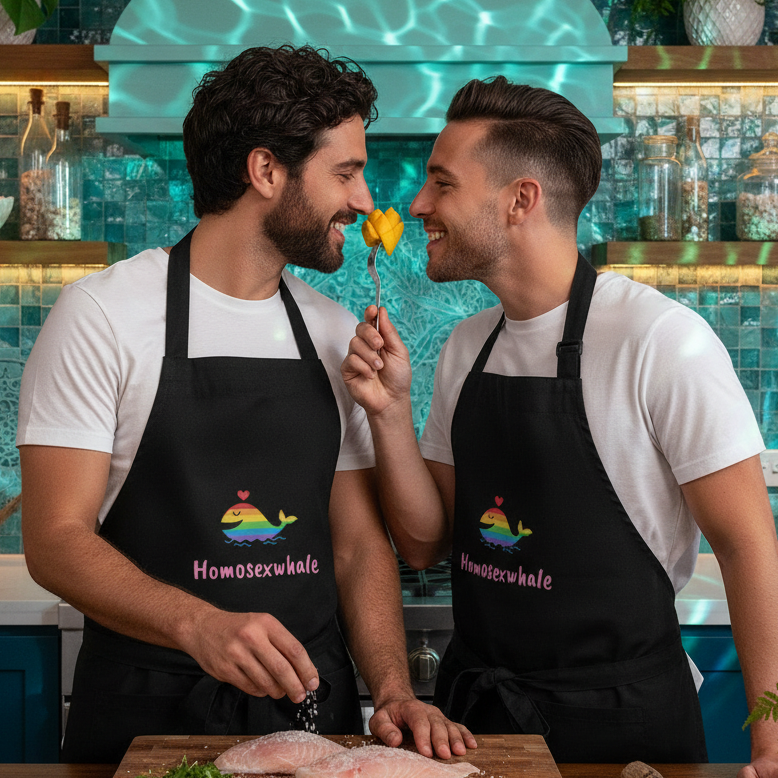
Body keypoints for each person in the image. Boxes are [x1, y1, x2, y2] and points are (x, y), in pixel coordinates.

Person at [18, 45, 475, 764]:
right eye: (345, 173)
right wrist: (197, 623)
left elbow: (357, 546)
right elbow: (55, 539)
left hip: (309, 718)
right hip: (147, 711)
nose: (362, 201)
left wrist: (390, 689)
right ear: (266, 171)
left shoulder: (331, 331)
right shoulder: (101, 315)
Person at [341, 76, 778, 772]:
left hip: (623, 728)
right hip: (477, 726)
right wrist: (390, 412)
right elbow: (426, 543)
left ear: (521, 200)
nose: (418, 204)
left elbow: (749, 545)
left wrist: (771, 732)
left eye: (442, 183)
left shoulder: (662, 341)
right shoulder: (467, 347)